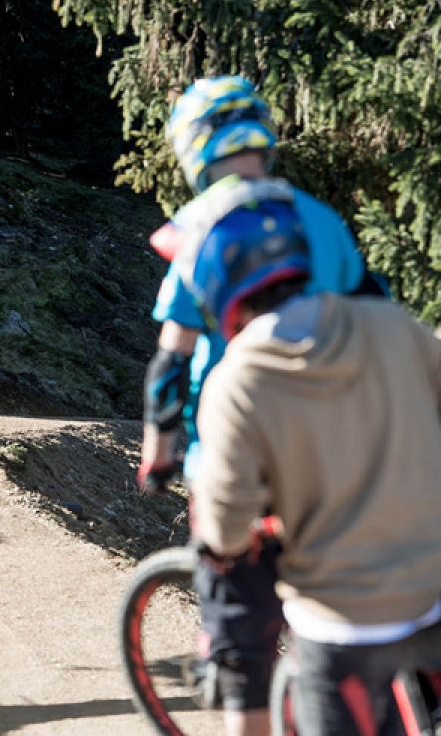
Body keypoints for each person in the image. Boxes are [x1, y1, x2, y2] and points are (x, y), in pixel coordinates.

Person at [184, 202, 441, 735]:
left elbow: (228, 523)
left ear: (223, 295)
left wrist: (226, 543)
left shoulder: (235, 384)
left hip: (342, 626)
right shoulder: (386, 323)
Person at [138, 75, 372, 736]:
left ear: (195, 148)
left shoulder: (201, 232)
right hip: (341, 453)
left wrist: (158, 456)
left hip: (238, 458)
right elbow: (379, 324)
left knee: (242, 645)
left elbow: (171, 362)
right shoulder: (322, 222)